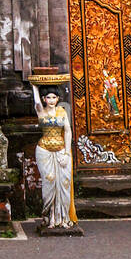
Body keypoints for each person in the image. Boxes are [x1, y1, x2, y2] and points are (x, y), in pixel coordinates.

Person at [31, 82, 80, 233]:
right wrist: (34, 87)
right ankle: (49, 218)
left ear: (58, 98)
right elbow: (37, 102)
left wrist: (66, 153)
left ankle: (63, 218)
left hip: (61, 150)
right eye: (48, 97)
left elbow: (67, 132)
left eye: (54, 97)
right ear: (44, 99)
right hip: (44, 150)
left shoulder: (62, 112)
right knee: (50, 180)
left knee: (64, 183)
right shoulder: (41, 111)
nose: (51, 100)